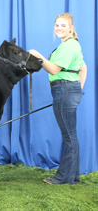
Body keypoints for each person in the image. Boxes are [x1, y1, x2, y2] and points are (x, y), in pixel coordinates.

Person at [29, 13, 87, 184]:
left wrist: (39, 56)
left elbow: (54, 70)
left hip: (65, 91)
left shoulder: (68, 47)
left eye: (63, 25)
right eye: (57, 25)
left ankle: (63, 177)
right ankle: (72, 177)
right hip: (67, 90)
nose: (59, 28)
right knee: (71, 136)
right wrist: (78, 88)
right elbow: (83, 68)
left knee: (69, 137)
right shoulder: (70, 45)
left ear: (71, 28)